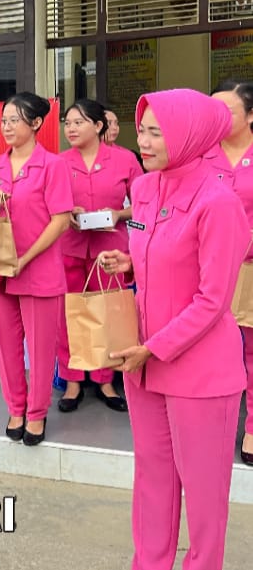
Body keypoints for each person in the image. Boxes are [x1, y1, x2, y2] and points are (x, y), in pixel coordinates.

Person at [100, 89, 247, 570]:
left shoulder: (219, 202)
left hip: (199, 373)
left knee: (204, 499)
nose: (143, 141)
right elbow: (157, 258)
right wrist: (129, 263)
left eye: (157, 132)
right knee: (154, 483)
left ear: (188, 134)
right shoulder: (143, 189)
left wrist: (153, 348)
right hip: (143, 368)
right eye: (141, 129)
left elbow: (212, 299)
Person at [0, 92, 73, 446]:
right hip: (0, 270)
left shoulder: (53, 166)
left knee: (42, 347)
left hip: (39, 270)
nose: (6, 127)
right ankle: (15, 407)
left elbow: (61, 220)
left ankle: (36, 413)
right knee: (6, 346)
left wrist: (26, 258)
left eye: (14, 120)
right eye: (3, 120)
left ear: (36, 124)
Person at [56, 99, 142, 413]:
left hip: (112, 249)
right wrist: (69, 212)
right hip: (70, 246)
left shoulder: (125, 161)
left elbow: (143, 202)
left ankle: (106, 379)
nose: (71, 128)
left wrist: (118, 213)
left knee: (110, 311)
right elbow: (49, 206)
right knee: (69, 314)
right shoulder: (60, 162)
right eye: (67, 123)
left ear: (98, 126)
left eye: (78, 122)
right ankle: (72, 380)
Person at [206, 79, 253, 465]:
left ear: (251, 115)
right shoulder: (202, 156)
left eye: (229, 111)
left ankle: (252, 426)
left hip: (251, 268)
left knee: (251, 350)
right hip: (210, 269)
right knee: (212, 347)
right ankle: (213, 423)